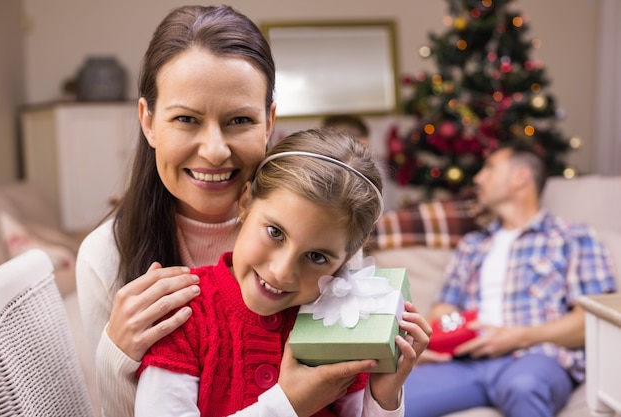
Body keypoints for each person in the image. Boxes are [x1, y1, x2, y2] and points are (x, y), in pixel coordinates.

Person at [134, 129, 432, 416]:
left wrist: (384, 396)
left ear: (346, 258)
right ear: (246, 202)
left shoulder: (342, 316)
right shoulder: (182, 315)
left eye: (316, 256)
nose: (282, 271)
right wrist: (290, 405)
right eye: (275, 232)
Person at [76, 5, 278, 417]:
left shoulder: (314, 231)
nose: (215, 150)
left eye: (240, 120)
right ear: (148, 121)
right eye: (186, 119)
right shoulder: (106, 255)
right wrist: (115, 355)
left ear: (269, 122)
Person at [403, 140, 617, 417]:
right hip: (466, 362)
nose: (478, 177)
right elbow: (444, 308)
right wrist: (434, 341)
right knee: (391, 394)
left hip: (536, 357)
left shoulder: (572, 237)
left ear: (520, 177)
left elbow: (591, 322)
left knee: (523, 386)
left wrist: (517, 338)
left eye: (489, 168)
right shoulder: (472, 245)